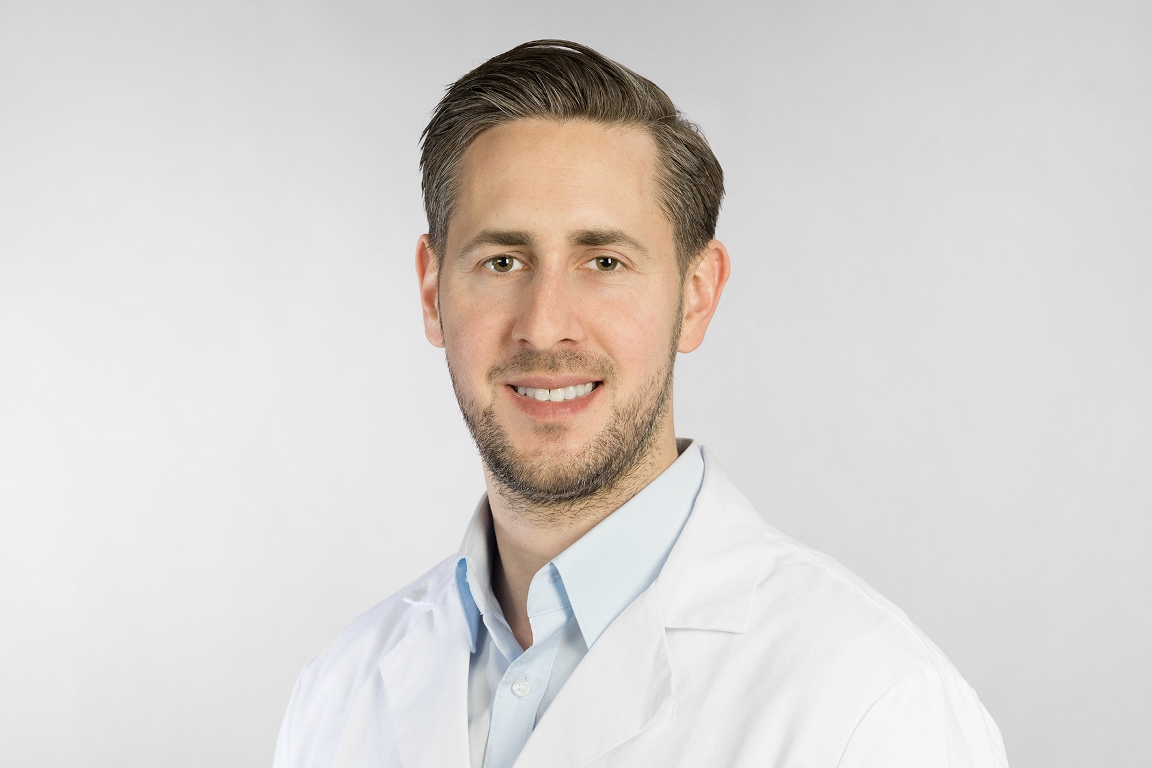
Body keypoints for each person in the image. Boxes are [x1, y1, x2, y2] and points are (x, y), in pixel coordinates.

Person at [273, 40, 1009, 768]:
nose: (544, 325)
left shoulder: (874, 708)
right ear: (433, 290)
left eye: (604, 261)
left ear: (697, 296)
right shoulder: (337, 697)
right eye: (502, 261)